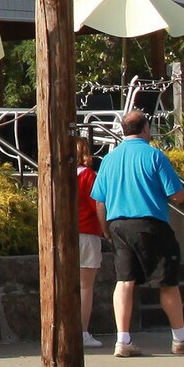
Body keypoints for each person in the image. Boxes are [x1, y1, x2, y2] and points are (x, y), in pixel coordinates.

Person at [91, 109, 184, 357]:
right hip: (150, 223)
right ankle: (180, 338)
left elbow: (99, 201)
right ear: (145, 129)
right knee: (167, 282)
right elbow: (176, 194)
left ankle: (123, 340)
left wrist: (106, 230)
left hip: (118, 224)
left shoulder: (109, 159)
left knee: (124, 281)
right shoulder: (154, 155)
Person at [75, 134, 105, 351]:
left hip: (65, 236)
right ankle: (82, 332)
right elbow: (98, 205)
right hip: (87, 232)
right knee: (85, 286)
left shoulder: (58, 176)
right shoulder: (88, 176)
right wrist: (106, 229)